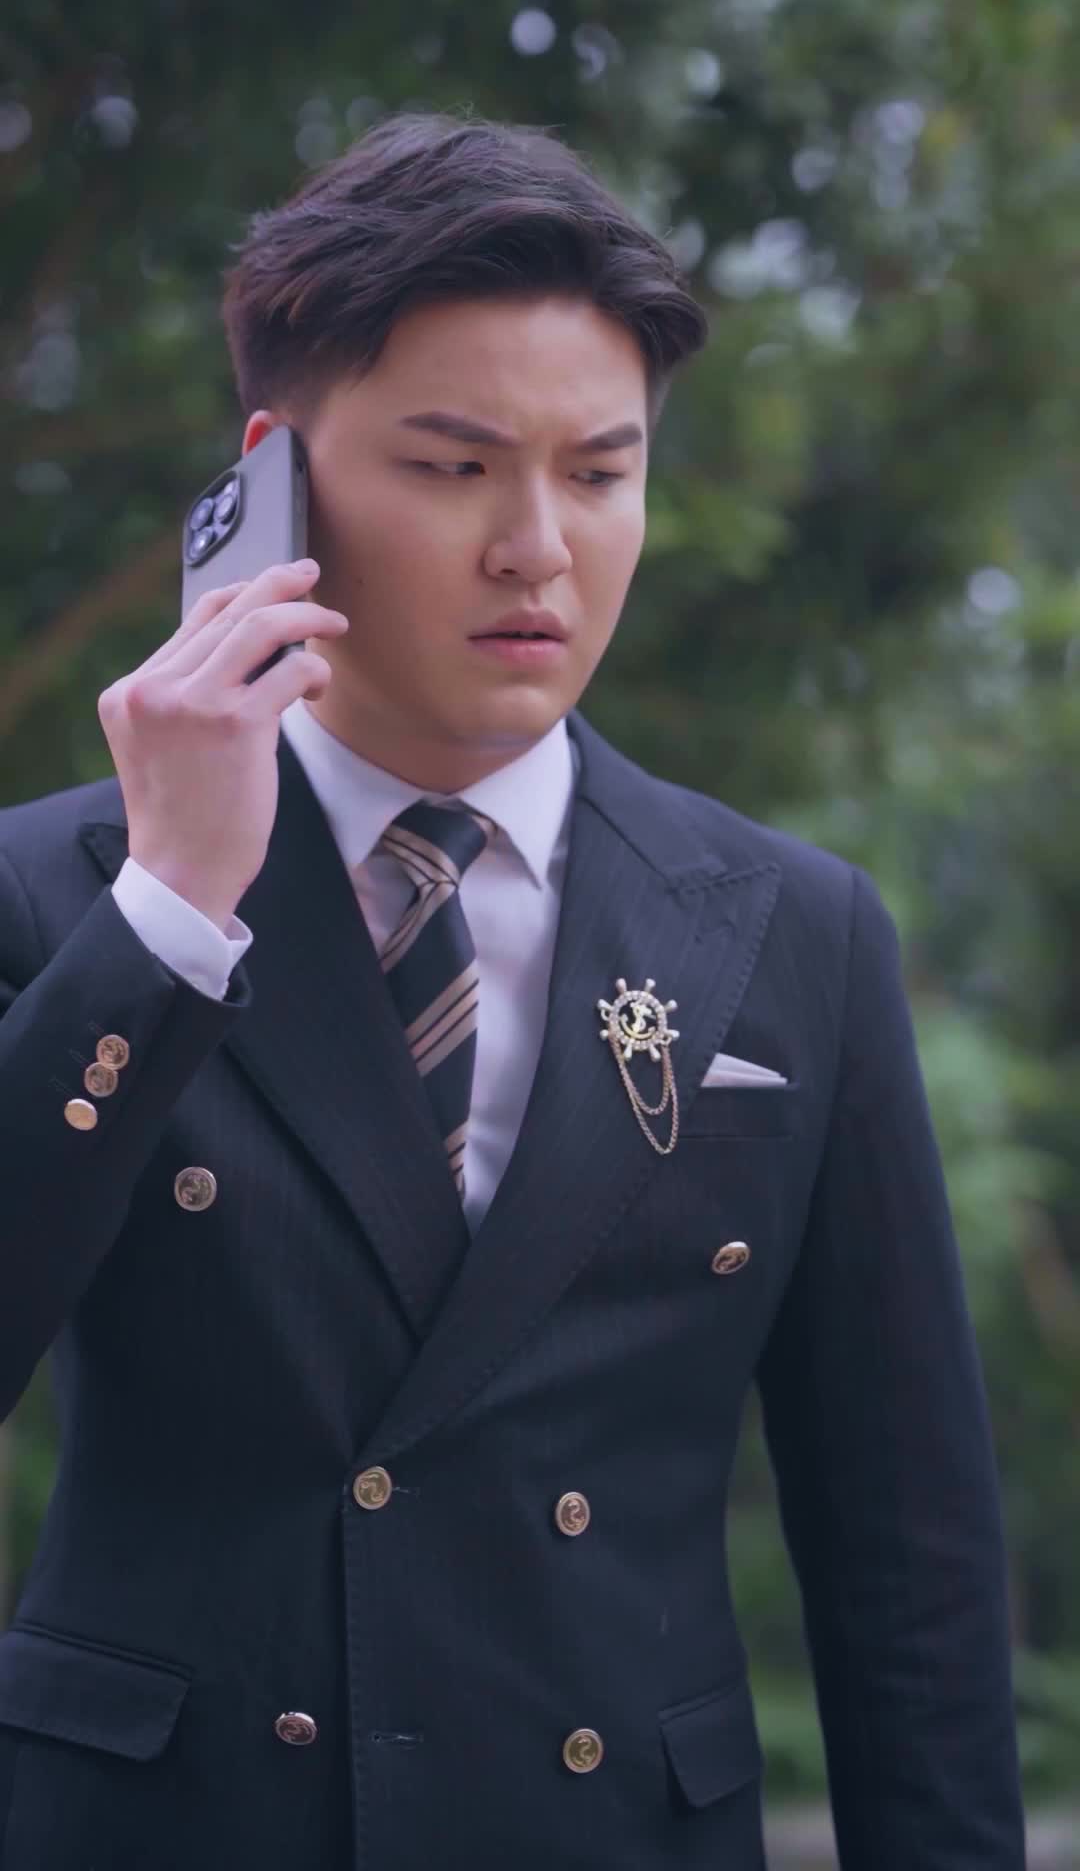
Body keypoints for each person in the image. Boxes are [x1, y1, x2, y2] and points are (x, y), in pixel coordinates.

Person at [0, 111, 1025, 1871]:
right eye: (456, 466)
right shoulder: (61, 890)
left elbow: (908, 1559)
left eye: (601, 473)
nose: (537, 547)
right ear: (269, 486)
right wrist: (169, 910)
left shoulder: (796, 929)